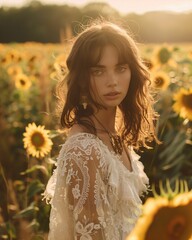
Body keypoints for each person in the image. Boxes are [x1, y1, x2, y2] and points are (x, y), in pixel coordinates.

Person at [43, 20, 159, 240]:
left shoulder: (115, 133)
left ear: (132, 72)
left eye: (121, 68)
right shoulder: (84, 150)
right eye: (98, 71)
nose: (113, 81)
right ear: (82, 79)